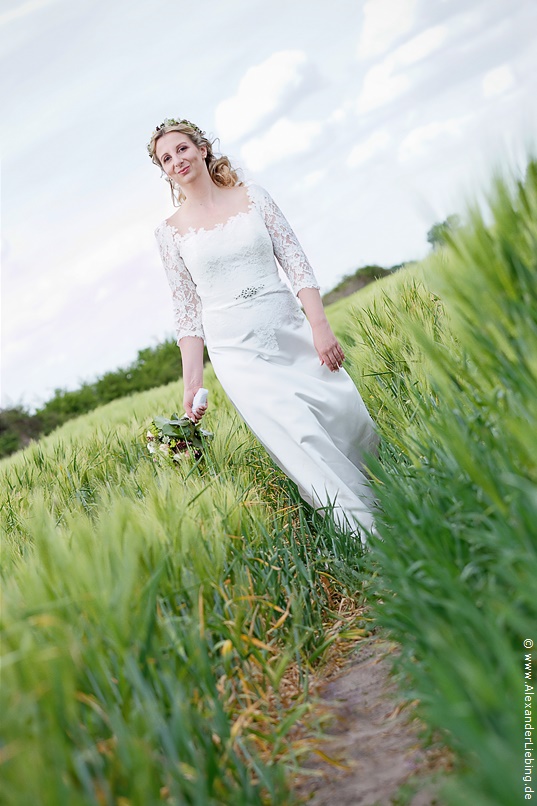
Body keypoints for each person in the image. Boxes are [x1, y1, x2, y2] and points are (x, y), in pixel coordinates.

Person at [148, 117, 379, 540]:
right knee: (299, 436)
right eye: (166, 158)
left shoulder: (253, 197)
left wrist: (320, 327)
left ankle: (390, 495)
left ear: (202, 148)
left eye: (182, 149)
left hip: (288, 327)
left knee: (345, 415)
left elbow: (296, 263)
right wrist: (192, 384)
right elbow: (186, 313)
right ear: (163, 171)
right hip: (236, 352)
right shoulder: (169, 234)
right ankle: (365, 534)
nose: (176, 160)